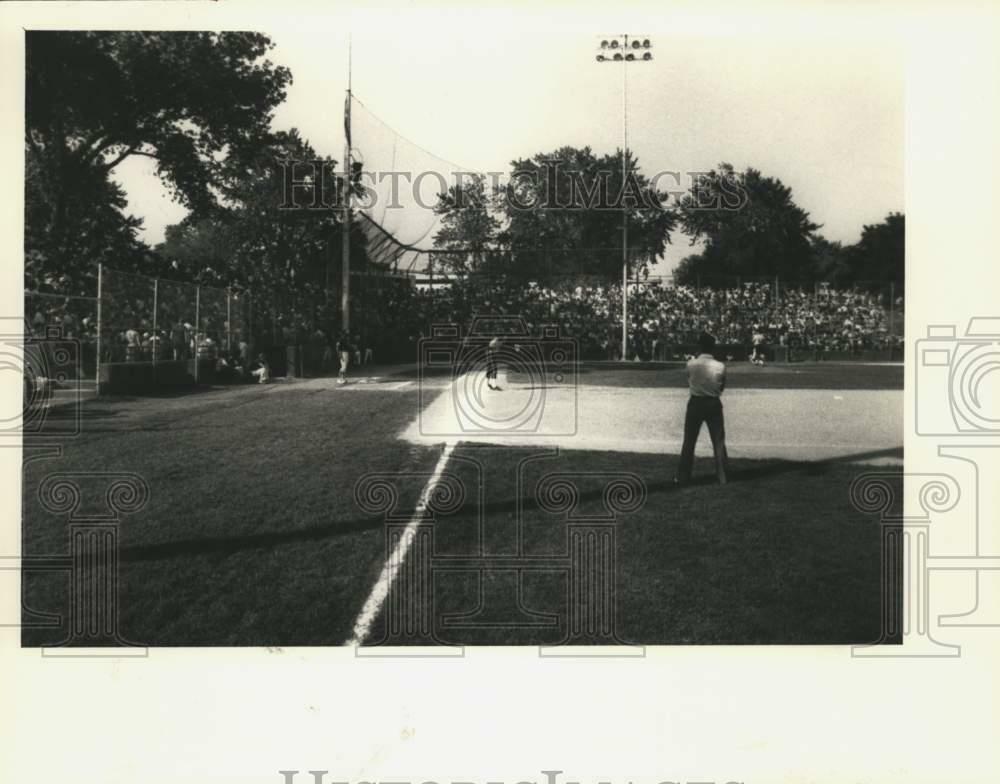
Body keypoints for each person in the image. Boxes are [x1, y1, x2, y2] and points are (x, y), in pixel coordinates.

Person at [674, 332, 728, 485]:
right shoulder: (720, 366)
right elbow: (722, 386)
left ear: (700, 346)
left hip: (696, 402)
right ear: (713, 347)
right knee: (718, 441)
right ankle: (722, 476)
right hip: (713, 403)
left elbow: (689, 381)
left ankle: (683, 477)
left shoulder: (691, 364)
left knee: (689, 441)